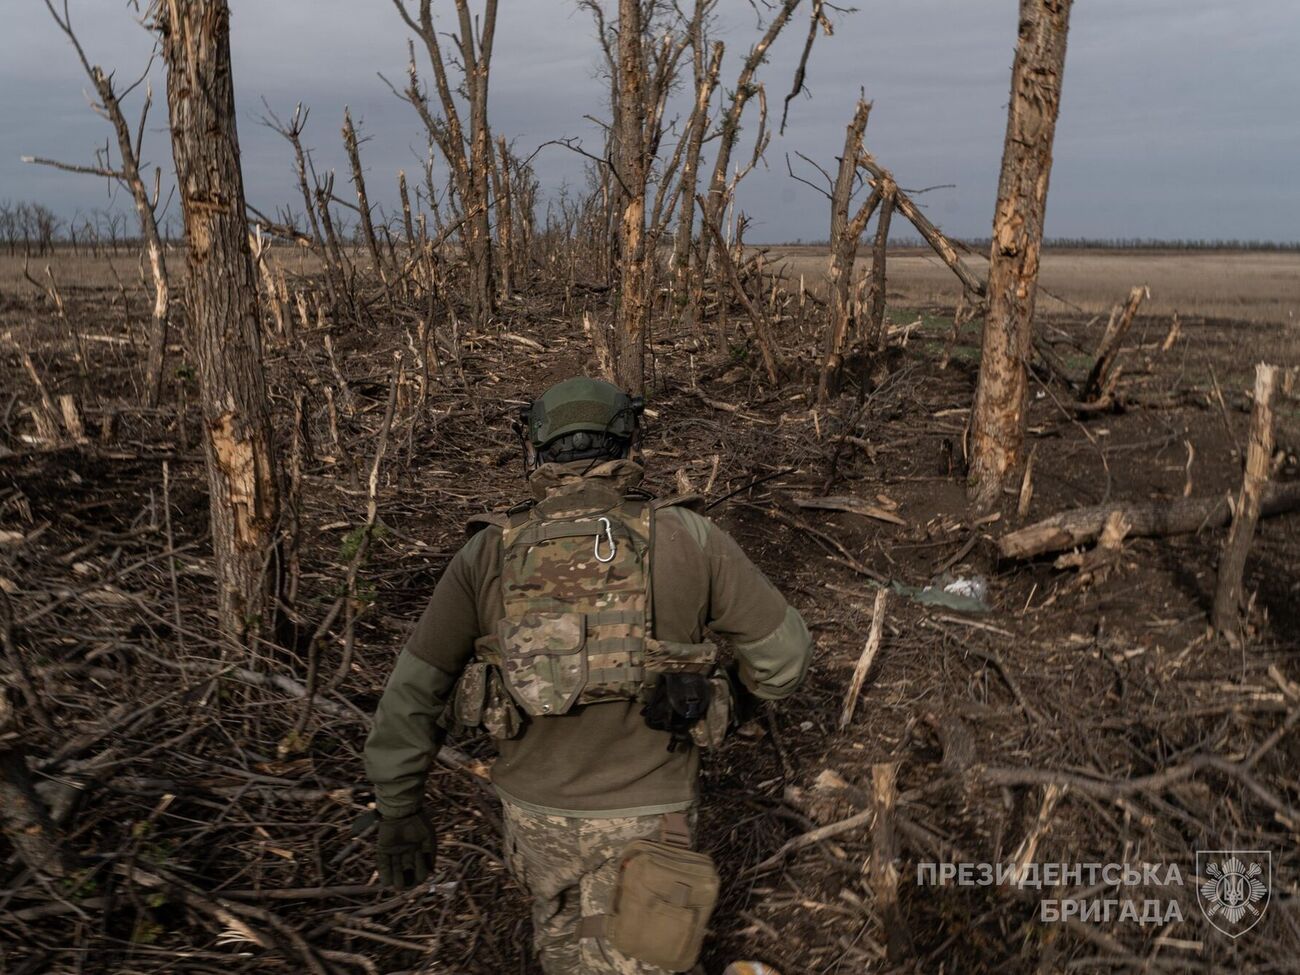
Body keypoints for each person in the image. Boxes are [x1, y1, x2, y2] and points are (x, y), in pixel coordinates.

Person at [364, 376, 812, 974]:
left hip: (533, 821)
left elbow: (414, 692)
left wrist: (399, 809)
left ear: (537, 446)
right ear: (628, 442)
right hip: (650, 820)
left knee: (562, 947)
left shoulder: (488, 553)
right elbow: (787, 657)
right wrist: (726, 701)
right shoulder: (688, 538)